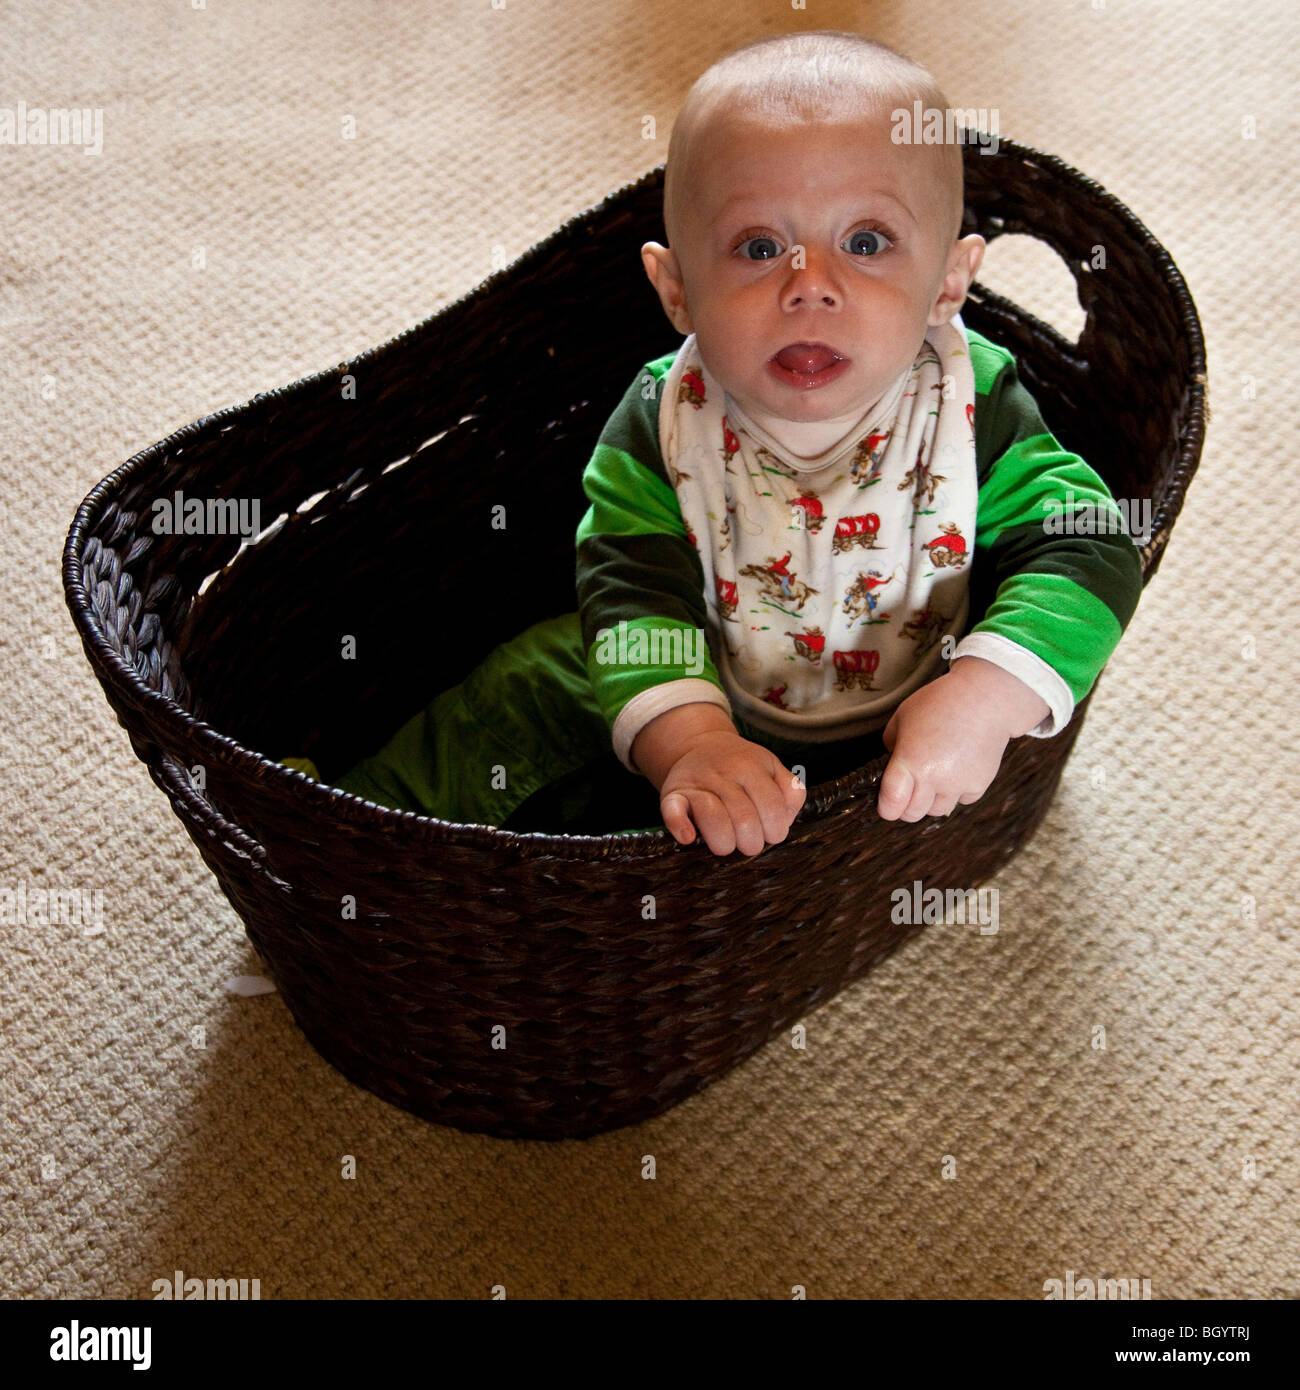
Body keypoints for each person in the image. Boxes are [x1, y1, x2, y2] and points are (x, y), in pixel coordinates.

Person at [283, 30, 1143, 857]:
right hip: (707, 672)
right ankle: (351, 830)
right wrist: (691, 739)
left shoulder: (970, 401)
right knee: (529, 679)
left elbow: (1089, 542)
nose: (812, 287)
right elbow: (630, 584)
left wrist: (986, 697)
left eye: (867, 242)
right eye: (759, 247)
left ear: (948, 282)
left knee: (713, 847)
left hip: (914, 698)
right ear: (678, 290)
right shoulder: (665, 417)